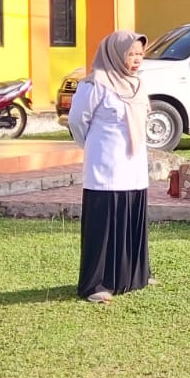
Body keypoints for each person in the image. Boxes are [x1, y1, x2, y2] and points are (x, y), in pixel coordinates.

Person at [67, 31, 152, 303]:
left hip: (134, 166)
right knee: (105, 224)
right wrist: (96, 147)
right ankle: (97, 284)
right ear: (115, 54)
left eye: (140, 54)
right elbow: (77, 123)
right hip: (106, 166)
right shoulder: (94, 85)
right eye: (131, 54)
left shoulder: (136, 83)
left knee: (130, 217)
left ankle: (135, 275)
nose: (137, 60)